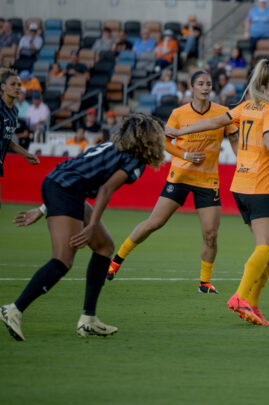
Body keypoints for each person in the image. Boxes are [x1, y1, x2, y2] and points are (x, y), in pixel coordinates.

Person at [166, 60, 269, 326]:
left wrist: (181, 130)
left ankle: (252, 304)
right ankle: (241, 298)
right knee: (267, 247)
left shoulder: (247, 106)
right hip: (259, 185)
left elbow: (215, 122)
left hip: (240, 186)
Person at [0, 114, 165, 341]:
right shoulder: (135, 159)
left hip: (63, 187)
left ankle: (88, 320)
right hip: (65, 190)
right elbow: (106, 190)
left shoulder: (112, 145)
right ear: (149, 138)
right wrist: (91, 225)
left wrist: (42, 209)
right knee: (63, 259)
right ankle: (14, 309)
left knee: (104, 247)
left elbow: (76, 169)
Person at [107, 71, 239, 294]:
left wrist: (243, 162)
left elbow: (234, 139)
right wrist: (184, 155)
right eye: (200, 84)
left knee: (211, 234)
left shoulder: (222, 113)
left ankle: (205, 283)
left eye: (208, 84)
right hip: (179, 177)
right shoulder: (179, 113)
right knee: (154, 223)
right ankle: (116, 261)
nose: (205, 88)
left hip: (207, 180)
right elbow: (165, 142)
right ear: (192, 87)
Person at [1, 69, 40, 200]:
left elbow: (6, 139)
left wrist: (26, 154)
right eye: (13, 84)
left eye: (18, 84)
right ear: (3, 87)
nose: (17, 87)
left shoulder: (14, 111)